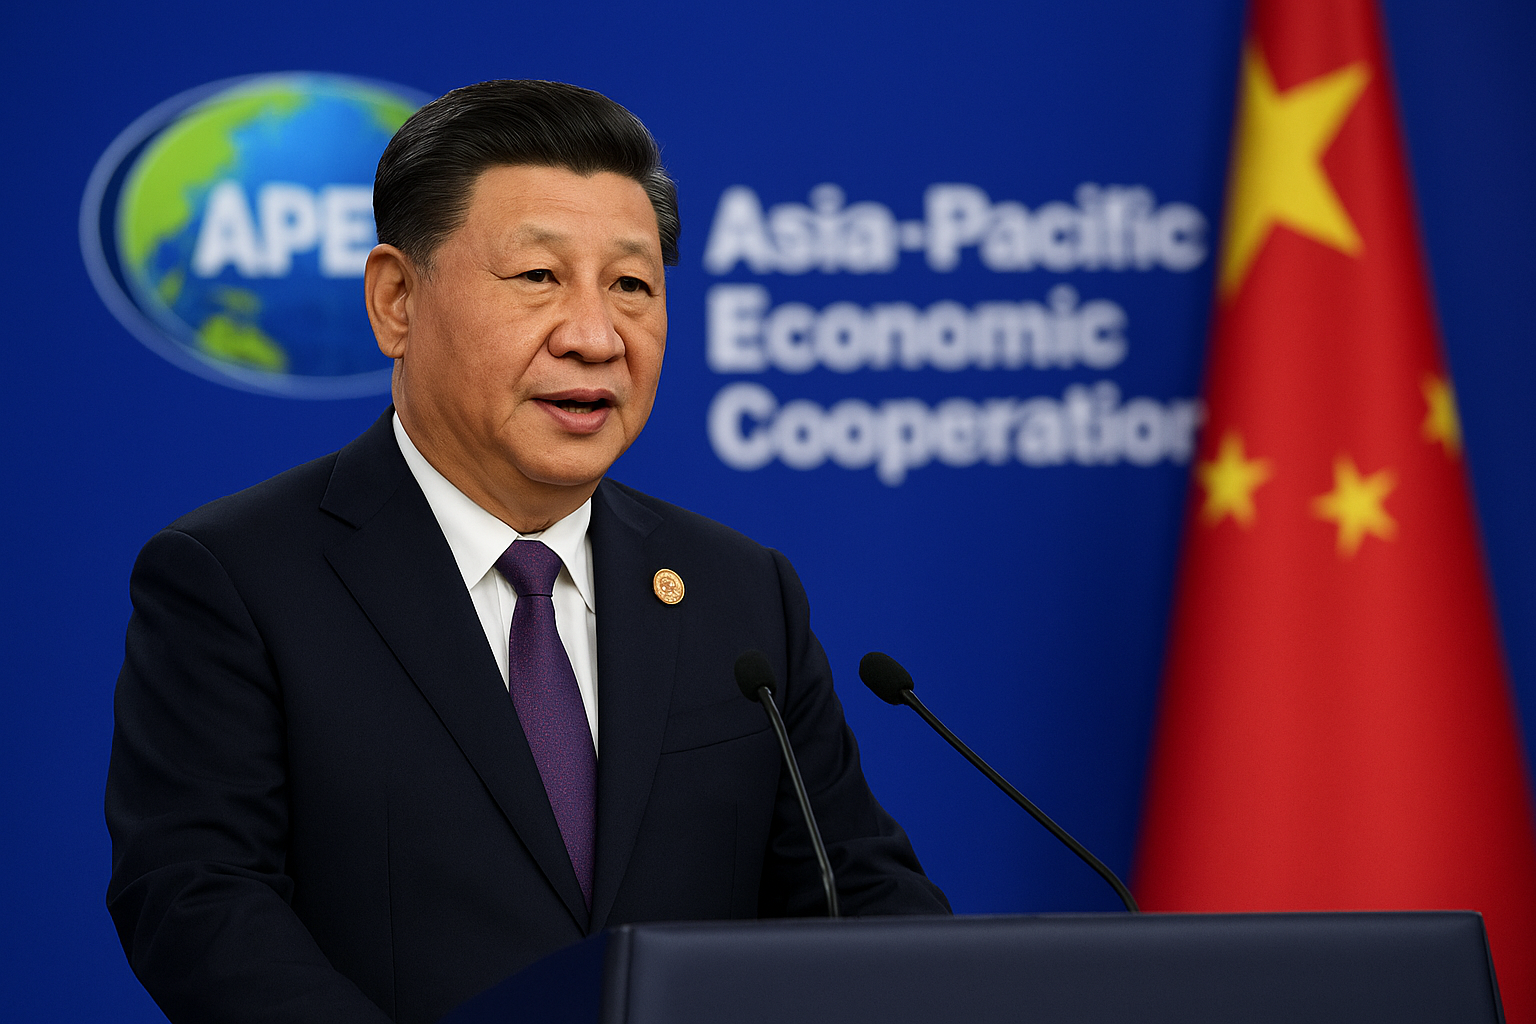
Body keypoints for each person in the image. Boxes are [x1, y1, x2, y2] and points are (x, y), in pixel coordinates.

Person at [105, 79, 949, 1024]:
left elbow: (857, 897)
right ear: (396, 301)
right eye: (539, 276)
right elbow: (201, 905)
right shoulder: (238, 579)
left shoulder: (739, 591)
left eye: (632, 286)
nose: (595, 336)